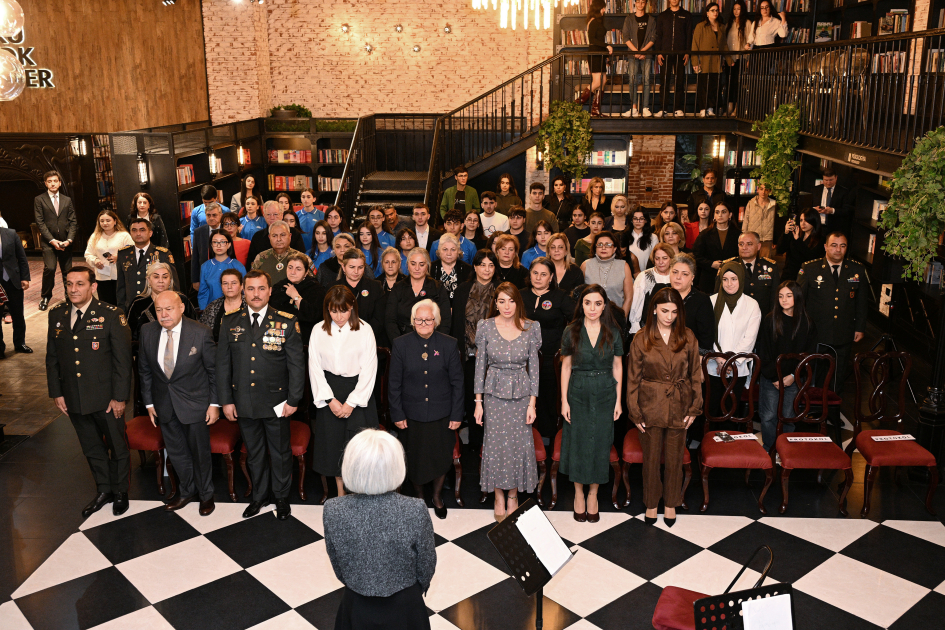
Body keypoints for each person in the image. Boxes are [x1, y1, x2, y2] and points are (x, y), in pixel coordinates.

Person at [323, 429, 436, 630]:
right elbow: (426, 564)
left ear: (351, 466)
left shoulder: (333, 509)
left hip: (355, 604)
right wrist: (413, 589)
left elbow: (338, 564)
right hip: (406, 606)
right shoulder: (415, 509)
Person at [218, 270, 305, 520]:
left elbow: (296, 365)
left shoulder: (286, 321)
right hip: (243, 401)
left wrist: (293, 400)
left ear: (269, 291)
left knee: (279, 452)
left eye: (261, 288)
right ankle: (259, 496)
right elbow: (223, 365)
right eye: (251, 289)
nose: (256, 294)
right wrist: (226, 400)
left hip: (278, 402)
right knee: (253, 453)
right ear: (244, 291)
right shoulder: (230, 321)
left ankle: (280, 496)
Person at [46, 267, 132, 518]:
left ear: (93, 287)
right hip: (74, 397)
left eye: (80, 284)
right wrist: (57, 392)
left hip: (106, 398)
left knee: (117, 447)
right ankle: (104, 489)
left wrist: (119, 397)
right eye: (69, 284)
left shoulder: (111, 314)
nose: (73, 289)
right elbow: (53, 357)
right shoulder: (57, 314)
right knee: (91, 448)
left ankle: (120, 492)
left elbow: (122, 361)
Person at [626, 287, 703, 526]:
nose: (669, 316)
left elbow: (695, 374)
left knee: (674, 457)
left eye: (674, 311)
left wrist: (694, 408)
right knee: (650, 458)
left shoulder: (688, 336)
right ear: (654, 310)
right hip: (650, 403)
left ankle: (670, 503)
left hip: (680, 403)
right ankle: (651, 503)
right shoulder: (641, 337)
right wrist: (635, 411)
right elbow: (633, 378)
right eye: (664, 310)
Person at [139, 292, 218, 516]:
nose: (164, 315)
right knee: (177, 452)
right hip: (164, 404)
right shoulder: (147, 332)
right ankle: (186, 491)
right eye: (159, 310)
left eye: (169, 309)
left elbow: (214, 372)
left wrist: (214, 404)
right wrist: (149, 403)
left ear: (181, 308)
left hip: (196, 404)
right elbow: (144, 370)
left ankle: (206, 495)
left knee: (200, 453)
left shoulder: (200, 332)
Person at [390, 299, 464, 519]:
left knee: (440, 457)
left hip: (442, 415)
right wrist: (397, 413)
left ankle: (438, 496)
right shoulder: (401, 344)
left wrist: (457, 414)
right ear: (413, 321)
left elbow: (458, 383)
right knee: (415, 459)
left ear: (436, 321)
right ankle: (420, 498)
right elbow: (394, 383)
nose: (423, 323)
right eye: (419, 319)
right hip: (411, 415)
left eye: (428, 319)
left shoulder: (449, 344)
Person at [474, 282, 542, 521]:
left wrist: (532, 403)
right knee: (495, 445)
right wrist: (478, 402)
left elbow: (534, 369)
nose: (506, 306)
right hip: (493, 395)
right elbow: (480, 366)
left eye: (511, 301)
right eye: (501, 301)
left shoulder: (531, 328)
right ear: (495, 303)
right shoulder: (485, 327)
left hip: (521, 396)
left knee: (517, 446)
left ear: (518, 302)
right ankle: (498, 495)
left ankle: (513, 495)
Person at [309, 285, 379, 500]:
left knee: (358, 446)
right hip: (329, 391)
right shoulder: (318, 330)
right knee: (334, 446)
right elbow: (314, 367)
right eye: (333, 311)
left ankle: (360, 492)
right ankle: (340, 494)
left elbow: (369, 369)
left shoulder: (365, 329)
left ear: (352, 308)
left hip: (358, 393)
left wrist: (352, 402)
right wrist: (330, 400)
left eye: (344, 310)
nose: (338, 316)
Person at [560, 285, 623, 522]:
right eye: (587, 303)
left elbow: (617, 366)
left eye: (597, 303)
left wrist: (618, 400)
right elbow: (566, 367)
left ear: (604, 305)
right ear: (582, 305)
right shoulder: (571, 330)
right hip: (577, 392)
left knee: (600, 443)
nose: (592, 308)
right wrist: (564, 400)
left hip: (606, 392)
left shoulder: (613, 331)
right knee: (576, 442)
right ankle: (578, 493)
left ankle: (594, 494)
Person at [797, 232, 867, 396]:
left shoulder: (857, 270)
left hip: (843, 332)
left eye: (842, 246)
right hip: (816, 332)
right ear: (825, 247)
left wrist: (860, 327)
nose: (838, 250)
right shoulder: (809, 268)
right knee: (813, 374)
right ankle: (811, 410)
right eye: (834, 245)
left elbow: (861, 302)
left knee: (837, 375)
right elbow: (799, 301)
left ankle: (832, 413)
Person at [757, 281, 816, 452]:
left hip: (794, 378)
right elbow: (764, 350)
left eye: (789, 296)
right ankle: (769, 447)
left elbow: (809, 355)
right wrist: (775, 377)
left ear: (797, 297)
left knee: (789, 416)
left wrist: (792, 376)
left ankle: (785, 450)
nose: (784, 300)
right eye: (781, 296)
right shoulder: (770, 320)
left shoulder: (807, 323)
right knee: (768, 416)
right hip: (771, 378)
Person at [451, 249, 499, 450]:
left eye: (490, 265)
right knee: (472, 397)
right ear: (475, 267)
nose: (486, 269)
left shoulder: (501, 291)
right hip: (468, 355)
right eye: (482, 265)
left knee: (492, 400)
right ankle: (474, 444)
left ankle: (491, 442)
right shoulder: (463, 289)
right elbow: (457, 323)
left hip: (494, 357)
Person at [523, 258, 574, 440]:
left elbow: (577, 321)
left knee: (549, 398)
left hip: (551, 359)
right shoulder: (520, 295)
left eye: (543, 274)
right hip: (523, 360)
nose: (538, 278)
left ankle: (550, 439)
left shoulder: (560, 296)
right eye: (535, 273)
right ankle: (527, 436)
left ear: (551, 277)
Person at [707, 262, 762, 425]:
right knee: (712, 410)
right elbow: (708, 334)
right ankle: (711, 446)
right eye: (725, 279)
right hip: (713, 366)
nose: (729, 284)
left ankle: (731, 447)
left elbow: (750, 338)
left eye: (733, 279)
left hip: (739, 367)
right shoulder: (710, 301)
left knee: (732, 411)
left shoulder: (752, 304)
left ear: (741, 280)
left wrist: (731, 362)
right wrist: (720, 359)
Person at [386, 248, 452, 343]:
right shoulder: (398, 288)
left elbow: (445, 321)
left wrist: (435, 343)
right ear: (407, 265)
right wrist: (399, 344)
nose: (417, 268)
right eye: (413, 264)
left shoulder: (438, 287)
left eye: (421, 264)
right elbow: (390, 321)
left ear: (427, 266)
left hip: (433, 342)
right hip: (403, 343)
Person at [116, 218, 179, 312]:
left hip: (156, 307)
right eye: (134, 230)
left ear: (150, 233)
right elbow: (121, 287)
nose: (138, 234)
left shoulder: (162, 254)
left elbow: (174, 283)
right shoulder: (123, 254)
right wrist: (121, 310)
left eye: (142, 230)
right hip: (132, 308)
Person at [35, 171, 76, 310]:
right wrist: (52, 241)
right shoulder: (39, 199)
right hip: (49, 242)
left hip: (65, 242)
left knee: (67, 271)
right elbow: (40, 223)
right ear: (46, 183)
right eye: (49, 181)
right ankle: (45, 296)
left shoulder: (67, 200)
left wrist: (69, 240)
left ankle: (69, 297)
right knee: (50, 268)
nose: (52, 183)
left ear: (59, 183)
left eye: (55, 181)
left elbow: (73, 222)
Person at [127, 263, 197, 342]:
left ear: (170, 280)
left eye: (165, 277)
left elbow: (194, 326)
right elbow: (129, 334)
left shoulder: (181, 299)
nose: (161, 281)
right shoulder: (138, 303)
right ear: (148, 280)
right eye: (156, 277)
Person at [333, 249, 388, 346]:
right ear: (343, 267)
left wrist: (362, 338)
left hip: (368, 341)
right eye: (352, 267)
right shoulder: (333, 288)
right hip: (340, 341)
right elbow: (330, 318)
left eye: (360, 267)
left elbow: (379, 320)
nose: (356, 271)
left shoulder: (375, 287)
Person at [271, 252, 327, 342]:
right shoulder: (279, 287)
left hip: (305, 339)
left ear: (306, 272)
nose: (293, 272)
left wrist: (296, 296)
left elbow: (313, 316)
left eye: (298, 269)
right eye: (290, 267)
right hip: (279, 337)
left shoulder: (316, 289)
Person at [724, 231, 780, 316]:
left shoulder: (770, 267)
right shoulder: (728, 266)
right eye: (741, 244)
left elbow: (774, 298)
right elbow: (720, 297)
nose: (744, 247)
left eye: (749, 244)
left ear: (758, 246)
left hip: (763, 319)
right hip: (735, 319)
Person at [84, 210, 133, 306]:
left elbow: (132, 253)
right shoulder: (95, 236)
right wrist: (95, 260)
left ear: (115, 221)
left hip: (120, 276)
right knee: (105, 304)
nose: (105, 223)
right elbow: (88, 254)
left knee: (121, 303)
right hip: (102, 276)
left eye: (108, 220)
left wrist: (119, 257)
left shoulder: (124, 236)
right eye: (102, 221)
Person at [653, 0, 694, 117]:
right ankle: (663, 109)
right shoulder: (662, 16)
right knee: (664, 82)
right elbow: (658, 35)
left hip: (680, 54)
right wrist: (659, 53)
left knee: (679, 82)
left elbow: (688, 35)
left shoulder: (686, 15)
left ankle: (678, 108)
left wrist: (687, 52)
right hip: (664, 54)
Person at [670, 253, 716, 354]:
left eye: (684, 274)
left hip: (689, 356)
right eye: (675, 272)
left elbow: (706, 339)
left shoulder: (702, 300)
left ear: (692, 278)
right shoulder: (660, 293)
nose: (678, 277)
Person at [582, 231, 633, 317]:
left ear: (615, 248)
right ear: (595, 248)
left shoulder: (623, 266)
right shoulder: (586, 265)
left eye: (608, 245)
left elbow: (629, 297)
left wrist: (622, 319)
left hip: (615, 317)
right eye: (600, 244)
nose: (603, 248)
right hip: (590, 316)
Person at [693, 202, 741, 293]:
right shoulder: (705, 234)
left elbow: (741, 256)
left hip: (732, 277)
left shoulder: (738, 235)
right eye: (717, 212)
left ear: (730, 215)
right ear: (714, 216)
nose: (720, 215)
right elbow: (696, 256)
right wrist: (711, 264)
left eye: (723, 212)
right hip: (709, 279)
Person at [621, 0, 656, 118]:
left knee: (646, 80)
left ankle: (645, 108)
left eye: (643, 2)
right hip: (633, 54)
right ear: (635, 3)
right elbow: (625, 37)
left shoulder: (651, 19)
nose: (640, 4)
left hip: (647, 54)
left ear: (646, 4)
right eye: (638, 2)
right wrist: (636, 51)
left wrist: (643, 51)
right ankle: (634, 108)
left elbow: (653, 37)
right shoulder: (629, 19)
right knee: (632, 80)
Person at [692, 2, 727, 118]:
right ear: (707, 13)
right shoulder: (700, 26)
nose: (715, 12)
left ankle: (711, 108)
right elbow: (695, 45)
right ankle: (703, 108)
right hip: (704, 60)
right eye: (712, 10)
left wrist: (729, 59)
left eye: (717, 10)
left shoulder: (721, 27)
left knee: (714, 85)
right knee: (703, 85)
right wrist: (695, 62)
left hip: (716, 61)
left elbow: (724, 45)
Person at [629, 243, 674, 332]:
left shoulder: (676, 275)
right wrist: (635, 325)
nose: (661, 262)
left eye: (665, 258)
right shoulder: (644, 276)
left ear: (671, 259)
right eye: (657, 258)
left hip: (673, 325)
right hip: (649, 326)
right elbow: (636, 302)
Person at [0, 225, 30, 356]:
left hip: (13, 280)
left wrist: (25, 277)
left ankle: (20, 343)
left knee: (18, 314)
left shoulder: (11, 234)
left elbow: (22, 257)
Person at [248, 200, 306, 266]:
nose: (272, 218)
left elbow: (302, 259)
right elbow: (251, 263)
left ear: (281, 215)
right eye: (268, 214)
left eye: (275, 214)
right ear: (264, 216)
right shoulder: (257, 237)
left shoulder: (294, 234)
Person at [198, 231, 247, 310]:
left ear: (229, 245)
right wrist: (204, 312)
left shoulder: (238, 266)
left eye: (223, 242)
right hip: (212, 311)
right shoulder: (205, 266)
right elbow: (203, 293)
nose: (218, 245)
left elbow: (245, 291)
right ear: (211, 245)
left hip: (235, 311)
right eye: (215, 242)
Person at [199, 268, 244, 342]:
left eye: (234, 283)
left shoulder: (250, 306)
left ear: (241, 286)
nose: (229, 287)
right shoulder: (212, 307)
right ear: (221, 287)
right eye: (225, 283)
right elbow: (203, 335)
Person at [778, 209, 824, 281]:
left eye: (806, 220)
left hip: (805, 276)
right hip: (788, 275)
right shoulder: (795, 232)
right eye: (801, 220)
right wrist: (786, 233)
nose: (803, 223)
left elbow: (809, 257)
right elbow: (780, 250)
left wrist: (798, 240)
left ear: (813, 221)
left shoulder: (820, 239)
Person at [725, 0, 754, 115]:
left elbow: (749, 41)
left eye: (739, 9)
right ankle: (729, 106)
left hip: (741, 57)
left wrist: (747, 58)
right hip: (729, 58)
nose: (736, 11)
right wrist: (725, 58)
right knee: (729, 82)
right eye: (734, 9)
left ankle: (737, 107)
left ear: (742, 10)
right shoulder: (729, 23)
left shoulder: (747, 23)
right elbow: (726, 41)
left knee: (738, 83)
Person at [252, 221, 301, 285]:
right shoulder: (261, 257)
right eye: (274, 236)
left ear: (290, 236)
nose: (279, 239)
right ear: (269, 237)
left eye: (283, 235)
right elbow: (252, 281)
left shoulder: (301, 258)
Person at [585, 0, 612, 117]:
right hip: (595, 54)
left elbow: (598, 41)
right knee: (597, 82)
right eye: (603, 8)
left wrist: (605, 54)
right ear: (598, 8)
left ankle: (595, 110)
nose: (604, 10)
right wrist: (607, 46)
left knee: (603, 81)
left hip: (599, 54)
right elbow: (593, 41)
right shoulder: (593, 22)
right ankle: (576, 103)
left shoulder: (596, 21)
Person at [812, 167, 856, 238]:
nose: (828, 182)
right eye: (826, 180)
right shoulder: (815, 190)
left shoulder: (843, 192)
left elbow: (847, 210)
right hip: (817, 227)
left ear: (836, 178)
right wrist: (814, 209)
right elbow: (807, 206)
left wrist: (832, 210)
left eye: (831, 180)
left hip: (834, 228)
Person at [190, 202, 225, 291]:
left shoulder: (227, 230)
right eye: (208, 215)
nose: (211, 218)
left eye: (214, 215)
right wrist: (195, 280)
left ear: (221, 215)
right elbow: (195, 257)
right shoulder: (199, 232)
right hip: (205, 277)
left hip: (225, 275)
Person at [430, 234, 473, 304]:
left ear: (458, 251)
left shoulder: (468, 269)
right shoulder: (430, 268)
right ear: (439, 251)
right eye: (445, 249)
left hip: (460, 311)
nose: (449, 253)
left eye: (453, 250)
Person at [743, 183, 777, 257]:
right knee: (750, 263)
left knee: (765, 265)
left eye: (766, 190)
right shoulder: (751, 203)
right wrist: (744, 238)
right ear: (758, 189)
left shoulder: (774, 205)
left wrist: (775, 240)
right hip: (752, 239)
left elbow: (777, 224)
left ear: (770, 191)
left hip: (767, 240)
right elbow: (746, 221)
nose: (763, 192)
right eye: (761, 189)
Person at [624, 206, 659, 275]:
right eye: (635, 219)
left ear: (646, 220)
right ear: (631, 220)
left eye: (641, 219)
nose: (638, 221)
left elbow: (655, 259)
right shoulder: (625, 236)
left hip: (648, 274)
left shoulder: (653, 237)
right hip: (628, 275)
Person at [296, 187, 325, 253]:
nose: (305, 199)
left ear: (314, 199)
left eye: (308, 197)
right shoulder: (296, 215)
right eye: (303, 197)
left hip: (317, 250)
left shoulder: (322, 215)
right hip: (300, 250)